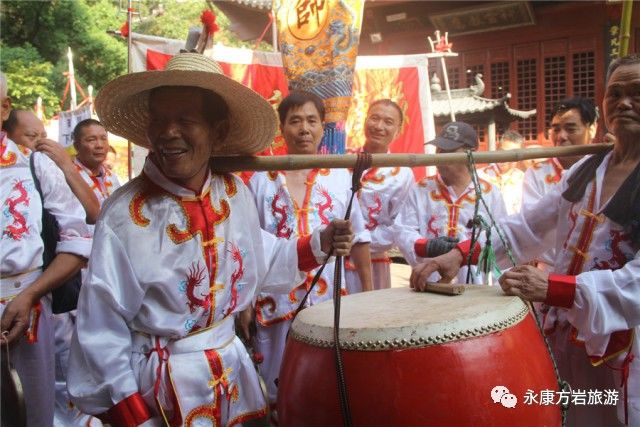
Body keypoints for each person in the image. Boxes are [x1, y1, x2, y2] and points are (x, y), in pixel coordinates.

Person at [67, 53, 354, 426]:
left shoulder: (233, 193)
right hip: (162, 388)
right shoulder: (124, 214)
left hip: (232, 372)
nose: (168, 133)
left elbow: (261, 255)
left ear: (217, 131)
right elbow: (100, 326)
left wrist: (321, 242)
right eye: (160, 120)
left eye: (185, 120)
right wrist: (133, 414)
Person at [410, 54, 640, 426]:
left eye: (637, 93)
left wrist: (555, 288)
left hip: (621, 345)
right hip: (566, 334)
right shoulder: (587, 170)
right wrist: (458, 255)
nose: (624, 103)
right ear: (603, 103)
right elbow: (525, 227)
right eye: (615, 93)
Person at [247, 90, 371, 414]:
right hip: (276, 300)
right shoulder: (261, 180)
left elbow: (359, 240)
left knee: (329, 379)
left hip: (329, 297)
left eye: (312, 120)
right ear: (282, 127)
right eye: (295, 120)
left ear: (322, 127)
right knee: (276, 383)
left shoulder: (341, 176)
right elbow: (248, 245)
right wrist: (244, 307)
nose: (304, 128)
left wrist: (370, 298)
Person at [0, 74, 92, 427]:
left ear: (4, 108)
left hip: (29, 314)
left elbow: (78, 240)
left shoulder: (35, 166)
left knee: (32, 414)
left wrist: (30, 295)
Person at [395, 121, 507, 285]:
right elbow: (402, 230)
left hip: (474, 288)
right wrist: (427, 246)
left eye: (448, 150)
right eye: (439, 149)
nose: (440, 155)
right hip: (429, 284)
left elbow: (501, 240)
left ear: (471, 153)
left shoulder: (490, 194)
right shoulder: (422, 189)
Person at [346, 99, 414, 291]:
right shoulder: (341, 158)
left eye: (388, 122)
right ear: (365, 120)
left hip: (374, 262)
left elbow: (398, 225)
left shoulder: (401, 173)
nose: (379, 126)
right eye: (374, 118)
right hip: (333, 260)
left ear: (398, 130)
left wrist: (359, 241)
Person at [4, 109, 100, 224]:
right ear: (6, 137)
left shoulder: (50, 166)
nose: (41, 143)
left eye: (44, 136)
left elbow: (94, 213)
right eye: (31, 136)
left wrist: (66, 164)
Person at [523, 97, 598, 208]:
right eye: (556, 130)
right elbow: (530, 221)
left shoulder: (604, 167)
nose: (561, 137)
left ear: (591, 130)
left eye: (571, 129)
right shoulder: (536, 173)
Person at [72, 119, 121, 208]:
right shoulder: (69, 177)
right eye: (91, 140)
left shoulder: (112, 177)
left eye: (103, 139)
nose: (99, 145)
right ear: (76, 146)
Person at [479, 130, 525, 215]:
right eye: (502, 151)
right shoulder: (480, 176)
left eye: (511, 154)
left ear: (519, 157)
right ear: (497, 150)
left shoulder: (525, 180)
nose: (505, 157)